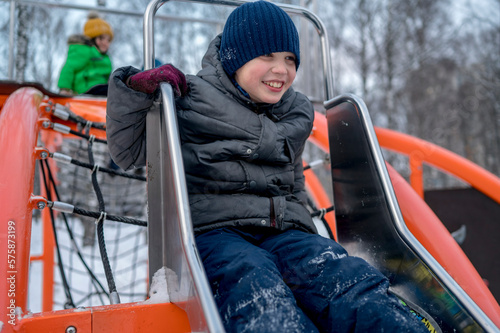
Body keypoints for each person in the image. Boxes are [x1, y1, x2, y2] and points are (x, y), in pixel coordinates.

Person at [106, 1, 429, 332]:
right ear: (235, 58)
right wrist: (135, 91)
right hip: (216, 231)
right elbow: (126, 152)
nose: (282, 69)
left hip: (284, 231)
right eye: (267, 56)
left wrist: (303, 225)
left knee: (343, 277)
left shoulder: (296, 109)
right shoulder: (190, 97)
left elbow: (292, 180)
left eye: (290, 59)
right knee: (256, 291)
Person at [57, 11, 113, 96]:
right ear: (92, 38)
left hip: (101, 89)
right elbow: (69, 68)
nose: (105, 43)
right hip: (87, 90)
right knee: (112, 91)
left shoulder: (105, 57)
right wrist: (65, 89)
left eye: (108, 40)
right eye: (101, 38)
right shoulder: (84, 50)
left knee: (118, 90)